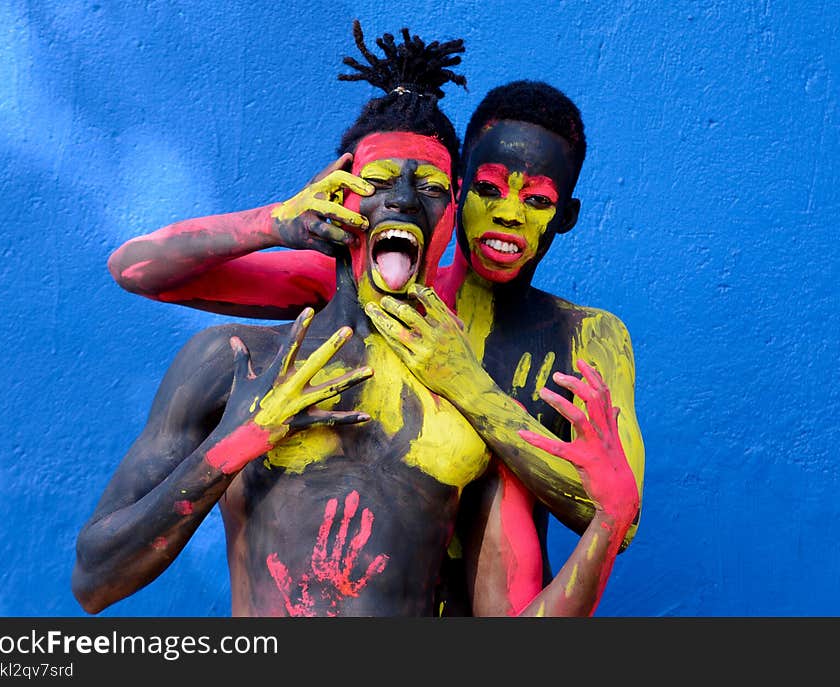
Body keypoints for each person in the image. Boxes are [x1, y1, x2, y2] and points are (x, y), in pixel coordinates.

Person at [94, 23, 642, 616]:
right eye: (490, 189)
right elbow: (136, 269)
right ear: (465, 195)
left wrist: (471, 388)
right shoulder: (340, 290)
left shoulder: (581, 338)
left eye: (536, 199)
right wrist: (277, 220)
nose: (508, 215)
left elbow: (615, 512)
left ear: (564, 214)